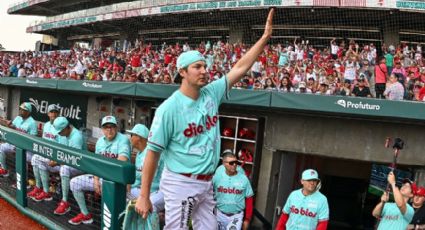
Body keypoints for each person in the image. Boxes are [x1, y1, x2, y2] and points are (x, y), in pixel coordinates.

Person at [135, 8, 274, 230]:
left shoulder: (211, 93)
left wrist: (264, 38)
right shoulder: (168, 109)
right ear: (182, 72)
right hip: (181, 181)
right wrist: (144, 195)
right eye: (197, 67)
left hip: (206, 182)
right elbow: (152, 153)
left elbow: (240, 67)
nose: (204, 71)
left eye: (205, 66)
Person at [68, 115, 131, 225]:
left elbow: (122, 161)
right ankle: (85, 214)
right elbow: (96, 163)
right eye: (106, 127)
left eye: (112, 127)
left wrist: (104, 177)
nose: (109, 130)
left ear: (116, 128)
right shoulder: (100, 142)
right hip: (101, 178)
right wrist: (96, 180)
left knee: (121, 213)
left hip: (118, 181)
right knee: (74, 183)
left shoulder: (123, 139)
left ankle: (121, 224)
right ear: (102, 129)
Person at [127, 124, 165, 213]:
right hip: (143, 190)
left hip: (157, 191)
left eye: (132, 135)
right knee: (121, 195)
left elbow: (149, 177)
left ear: (138, 138)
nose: (130, 138)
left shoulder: (151, 153)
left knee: (145, 208)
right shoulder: (139, 153)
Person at [28, 104, 62, 202]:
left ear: (59, 114)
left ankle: (45, 191)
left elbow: (63, 147)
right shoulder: (46, 125)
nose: (54, 114)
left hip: (57, 160)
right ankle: (40, 188)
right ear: (48, 113)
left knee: (37, 159)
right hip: (47, 156)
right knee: (35, 158)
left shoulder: (61, 127)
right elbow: (43, 143)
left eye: (56, 112)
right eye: (51, 112)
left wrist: (56, 159)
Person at [51, 117, 84, 215]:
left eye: (60, 131)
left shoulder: (76, 137)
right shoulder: (63, 134)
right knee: (37, 159)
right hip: (64, 162)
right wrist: (53, 158)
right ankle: (43, 190)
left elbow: (74, 160)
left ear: (67, 128)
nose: (59, 133)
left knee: (64, 169)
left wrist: (57, 162)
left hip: (81, 166)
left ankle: (65, 202)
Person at [213, 151, 253, 230]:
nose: (234, 165)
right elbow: (209, 194)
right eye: (231, 163)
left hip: (236, 216)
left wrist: (247, 219)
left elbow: (249, 199)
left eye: (235, 162)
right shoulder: (217, 177)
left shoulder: (244, 178)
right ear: (224, 163)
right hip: (219, 214)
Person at [0, 102, 37, 176]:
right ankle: (4, 170)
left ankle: (24, 182)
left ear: (28, 112)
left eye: (23, 110)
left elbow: (32, 140)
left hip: (26, 148)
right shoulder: (18, 118)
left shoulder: (32, 123)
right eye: (21, 109)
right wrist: (10, 126)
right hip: (14, 144)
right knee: (1, 147)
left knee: (21, 157)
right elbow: (13, 129)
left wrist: (18, 147)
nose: (21, 111)